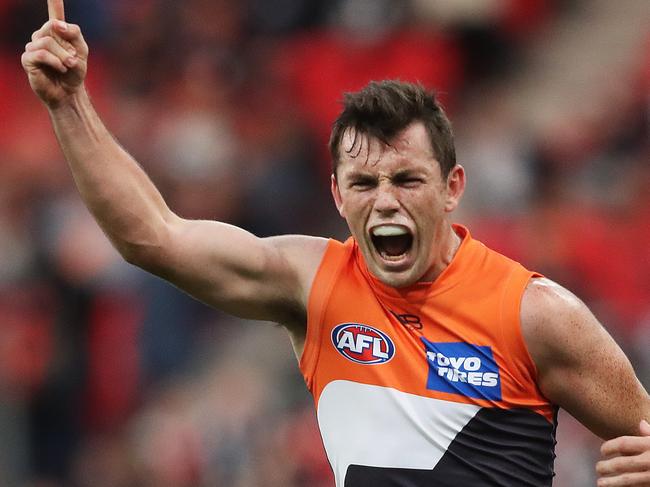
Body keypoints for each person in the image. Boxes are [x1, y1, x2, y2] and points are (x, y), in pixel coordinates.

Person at [22, 1, 650, 485]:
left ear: (453, 187)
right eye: (364, 182)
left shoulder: (536, 314)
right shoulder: (310, 281)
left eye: (407, 179)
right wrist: (70, 102)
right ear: (336, 193)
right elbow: (151, 237)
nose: (385, 200)